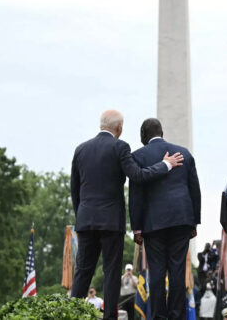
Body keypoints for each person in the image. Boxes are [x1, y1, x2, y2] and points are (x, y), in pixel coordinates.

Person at [70, 110, 183, 320]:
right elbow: (138, 176)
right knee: (112, 275)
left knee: (82, 273)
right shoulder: (120, 147)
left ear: (101, 124)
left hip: (86, 221)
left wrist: (82, 216)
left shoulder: (81, 149)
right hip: (111, 222)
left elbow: (74, 189)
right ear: (119, 128)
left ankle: (72, 315)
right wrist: (166, 165)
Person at [129, 118, 201, 320]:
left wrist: (137, 228)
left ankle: (159, 316)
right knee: (178, 271)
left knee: (157, 272)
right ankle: (177, 316)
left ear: (143, 134)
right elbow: (194, 189)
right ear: (162, 132)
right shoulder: (184, 153)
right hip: (181, 220)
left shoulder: (137, 156)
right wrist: (194, 221)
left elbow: (136, 196)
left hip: (153, 224)